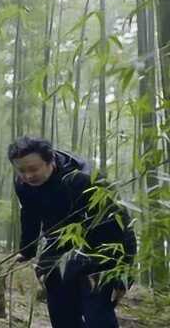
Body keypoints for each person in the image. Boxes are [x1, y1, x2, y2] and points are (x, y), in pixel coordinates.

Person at [8, 136, 137, 328]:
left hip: (99, 251)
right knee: (62, 316)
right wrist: (27, 251)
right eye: (21, 170)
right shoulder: (23, 185)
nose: (27, 176)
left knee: (97, 316)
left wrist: (124, 276)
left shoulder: (84, 180)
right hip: (58, 250)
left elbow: (121, 225)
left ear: (50, 161)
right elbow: (30, 214)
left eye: (33, 169)